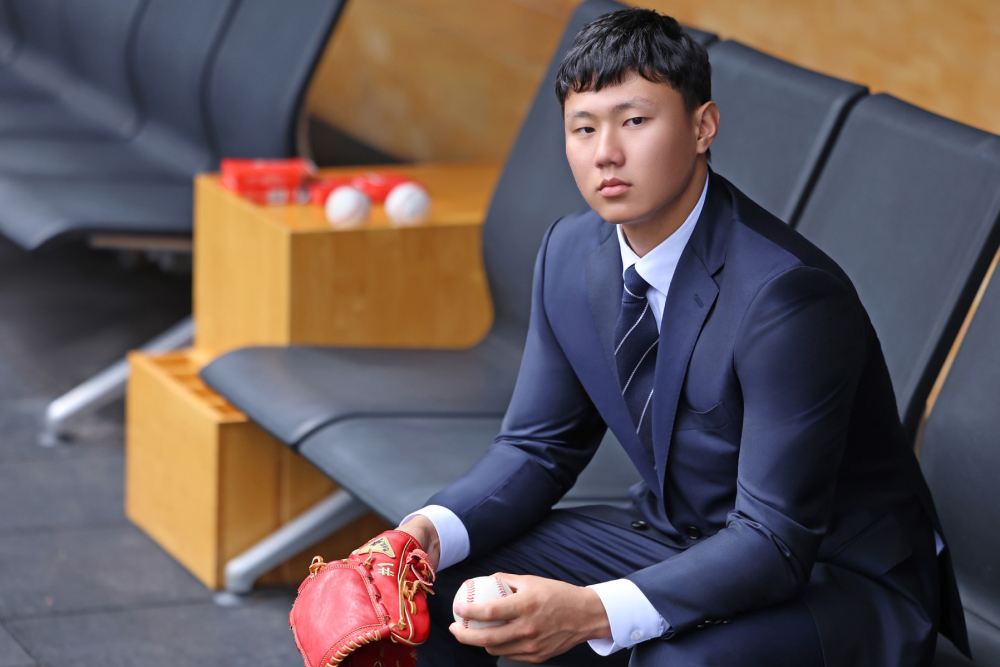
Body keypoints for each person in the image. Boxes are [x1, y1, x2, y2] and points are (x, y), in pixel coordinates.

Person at [390, 8, 968, 666]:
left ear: (703, 127)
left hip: (834, 578)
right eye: (584, 127)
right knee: (435, 588)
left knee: (672, 661)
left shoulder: (788, 297)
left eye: (634, 121)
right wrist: (422, 534)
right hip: (680, 536)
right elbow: (537, 447)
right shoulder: (569, 254)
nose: (606, 151)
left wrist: (593, 609)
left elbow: (775, 539)